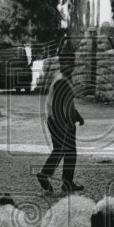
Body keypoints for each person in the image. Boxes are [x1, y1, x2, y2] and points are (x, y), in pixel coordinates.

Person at [37, 53, 84, 194]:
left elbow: (67, 103)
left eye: (72, 62)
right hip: (60, 122)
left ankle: (63, 181)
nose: (72, 65)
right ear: (63, 64)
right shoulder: (62, 81)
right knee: (67, 151)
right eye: (69, 62)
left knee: (63, 150)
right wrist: (66, 125)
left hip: (57, 121)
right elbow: (59, 106)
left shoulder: (62, 78)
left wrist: (77, 116)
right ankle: (49, 176)